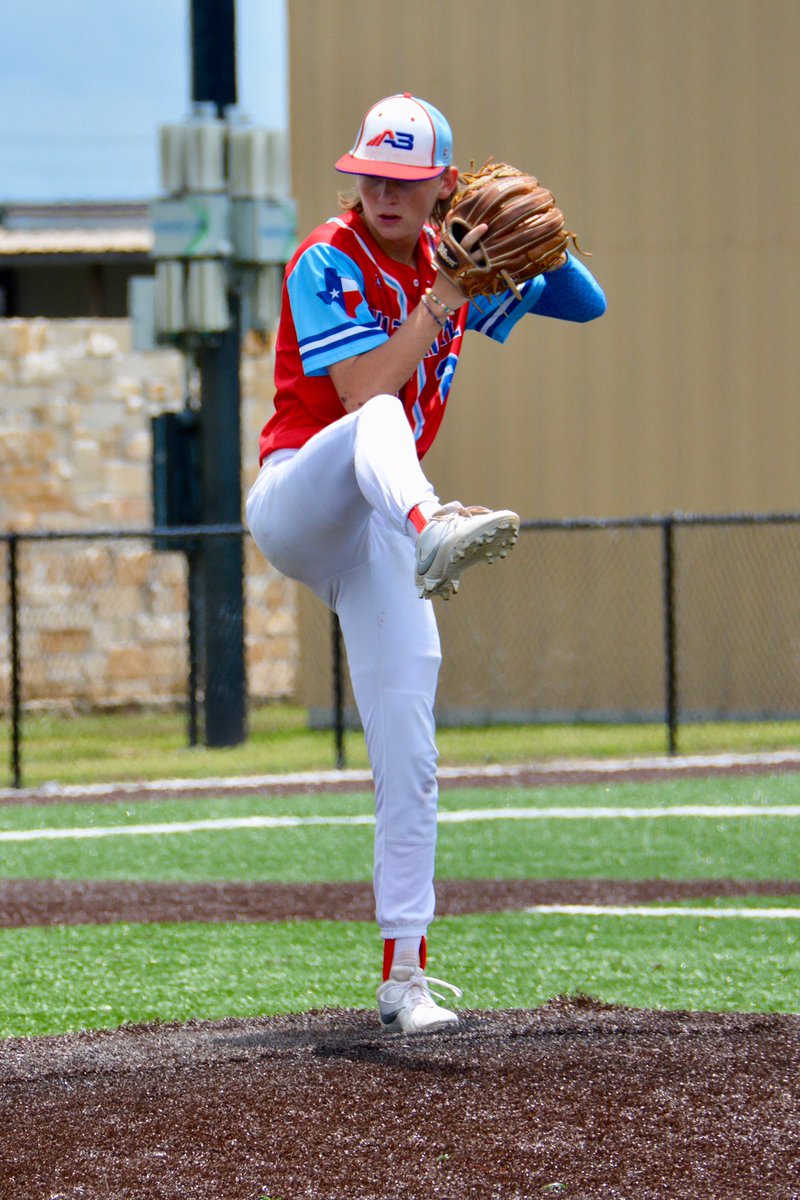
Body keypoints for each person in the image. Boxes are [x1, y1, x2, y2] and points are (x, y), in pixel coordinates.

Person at [246, 93, 606, 1034]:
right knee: (378, 414)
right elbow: (361, 389)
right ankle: (433, 519)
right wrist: (445, 294)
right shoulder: (328, 257)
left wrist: (528, 235)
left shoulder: (458, 255)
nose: (384, 193)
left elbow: (588, 304)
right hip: (302, 496)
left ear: (444, 186)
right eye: (372, 175)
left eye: (406, 181)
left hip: (381, 531)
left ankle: (404, 978)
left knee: (410, 752)